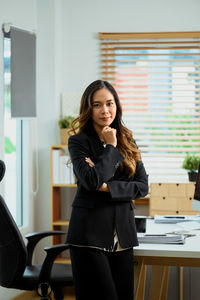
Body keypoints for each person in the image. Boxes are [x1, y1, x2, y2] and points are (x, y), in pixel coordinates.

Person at [66, 80, 149, 300]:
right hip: (88, 236)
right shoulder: (78, 142)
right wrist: (110, 147)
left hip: (122, 235)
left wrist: (107, 187)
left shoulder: (128, 139)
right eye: (97, 104)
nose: (105, 110)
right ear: (88, 108)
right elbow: (92, 181)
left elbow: (142, 186)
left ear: (117, 105)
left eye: (110, 103)